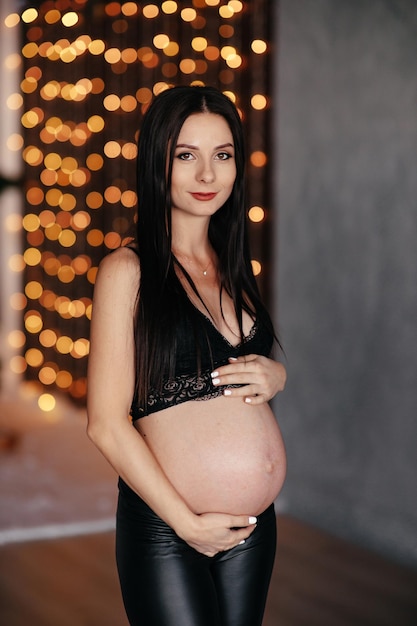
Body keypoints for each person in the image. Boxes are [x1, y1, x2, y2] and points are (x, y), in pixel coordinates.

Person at [87, 85, 287, 626]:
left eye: (222, 155)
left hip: (251, 523)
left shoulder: (234, 266)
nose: (207, 175)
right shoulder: (127, 271)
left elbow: (240, 371)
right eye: (186, 155)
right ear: (158, 161)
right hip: (167, 526)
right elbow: (105, 423)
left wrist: (277, 374)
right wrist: (184, 522)